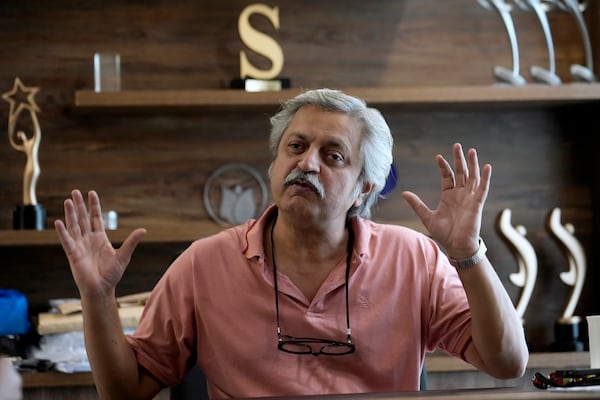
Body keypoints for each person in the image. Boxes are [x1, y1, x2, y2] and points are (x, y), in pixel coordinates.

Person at [54, 88, 528, 399]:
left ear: (365, 188)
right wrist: (97, 296)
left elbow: (507, 363)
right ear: (275, 164)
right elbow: (124, 392)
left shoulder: (413, 257)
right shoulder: (204, 263)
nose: (307, 164)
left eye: (333, 155)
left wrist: (468, 253)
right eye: (295, 147)